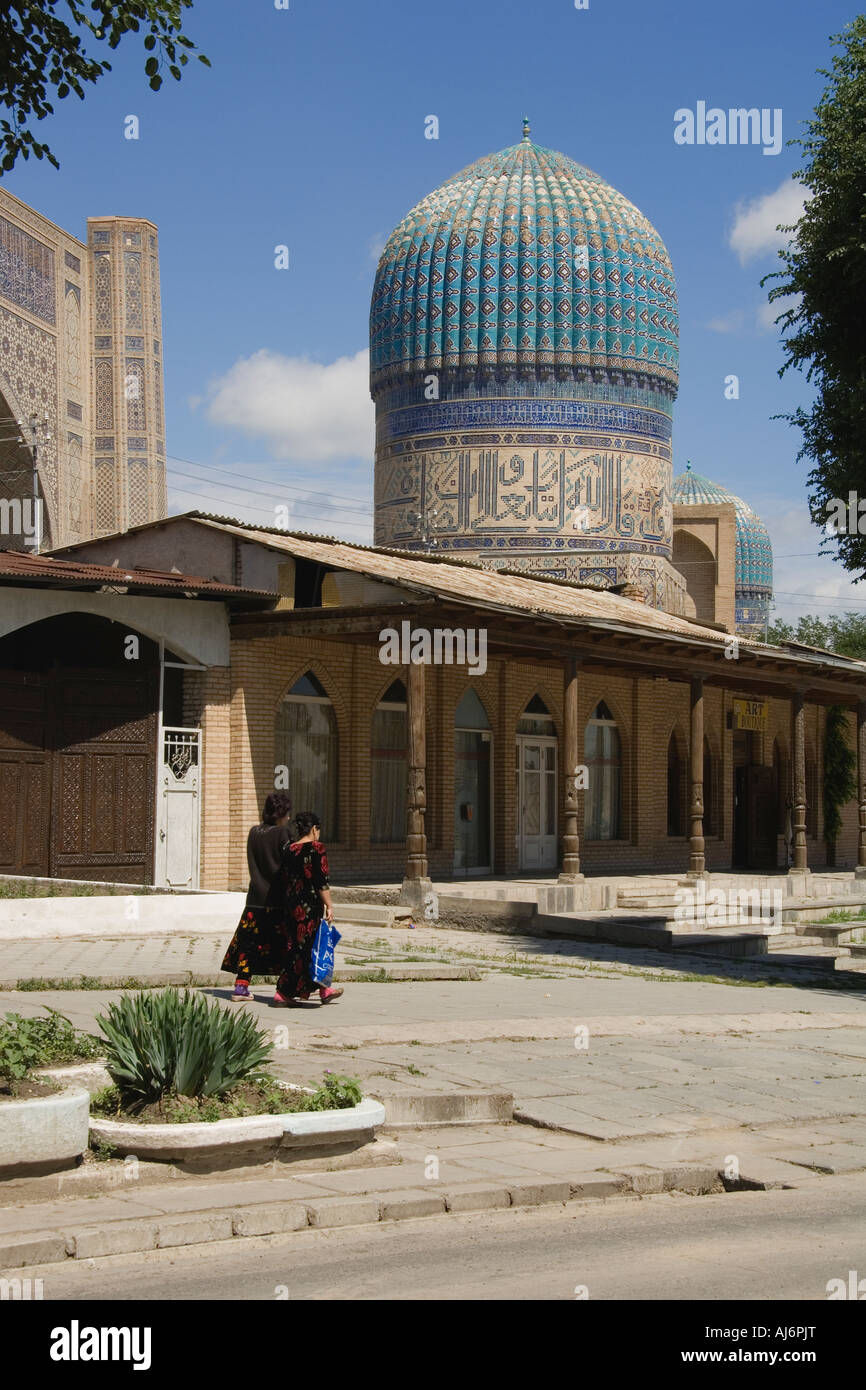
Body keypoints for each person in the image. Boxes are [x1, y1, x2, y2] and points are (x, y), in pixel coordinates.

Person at [221, 791, 293, 1002]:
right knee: (284, 944)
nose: (288, 817)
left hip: (255, 899)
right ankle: (286, 989)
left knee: (249, 943)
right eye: (286, 813)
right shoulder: (283, 834)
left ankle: (241, 987)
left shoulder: (254, 832)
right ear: (281, 813)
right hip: (278, 900)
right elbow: (289, 863)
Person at [271, 811, 343, 1007]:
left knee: (305, 947)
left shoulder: (289, 849)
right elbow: (321, 881)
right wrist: (329, 904)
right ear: (314, 829)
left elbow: (282, 879)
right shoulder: (316, 849)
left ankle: (324, 989)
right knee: (306, 950)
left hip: (290, 906)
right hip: (309, 906)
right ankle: (283, 992)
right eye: (318, 830)